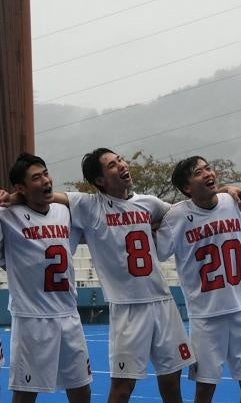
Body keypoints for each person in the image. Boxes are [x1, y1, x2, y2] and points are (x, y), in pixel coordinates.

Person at [36, 148, 195, 403]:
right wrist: (15, 197)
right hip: (127, 308)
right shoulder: (90, 206)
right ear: (100, 180)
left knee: (172, 381)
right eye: (112, 165)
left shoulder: (149, 203)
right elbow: (47, 196)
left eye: (120, 160)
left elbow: (187, 211)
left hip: (162, 302)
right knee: (122, 387)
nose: (121, 165)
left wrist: (226, 192)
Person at [156, 156, 241, 403]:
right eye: (198, 173)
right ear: (187, 188)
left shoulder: (233, 201)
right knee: (205, 389)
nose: (207, 174)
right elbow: (159, 252)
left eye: (208, 168)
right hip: (206, 316)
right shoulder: (177, 216)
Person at [0, 153, 92, 402]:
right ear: (20, 188)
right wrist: (9, 199)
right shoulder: (7, 216)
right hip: (32, 319)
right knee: (25, 394)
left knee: (82, 390)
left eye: (46, 174)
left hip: (68, 314)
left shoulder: (65, 212)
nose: (46, 181)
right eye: (36, 178)